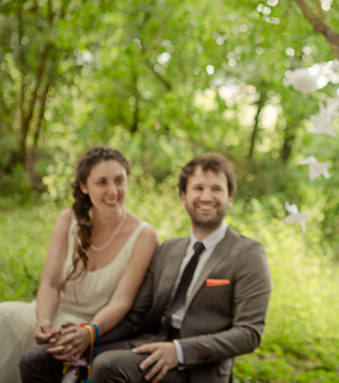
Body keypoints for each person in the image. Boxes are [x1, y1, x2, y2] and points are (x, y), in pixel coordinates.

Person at [20, 152, 272, 383]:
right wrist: (89, 334)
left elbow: (249, 333)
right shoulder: (169, 249)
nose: (206, 196)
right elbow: (137, 314)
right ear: (183, 197)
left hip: (196, 366)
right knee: (40, 357)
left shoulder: (247, 253)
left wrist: (179, 351)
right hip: (147, 343)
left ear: (230, 198)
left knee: (108, 367)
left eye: (216, 189)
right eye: (198, 188)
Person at [0, 146, 158, 383]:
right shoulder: (67, 219)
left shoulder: (144, 235)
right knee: (5, 316)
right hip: (49, 315)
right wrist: (43, 322)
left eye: (119, 181)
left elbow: (122, 301)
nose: (113, 191)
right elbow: (50, 284)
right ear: (84, 187)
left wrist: (89, 332)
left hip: (94, 326)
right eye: (102, 182)